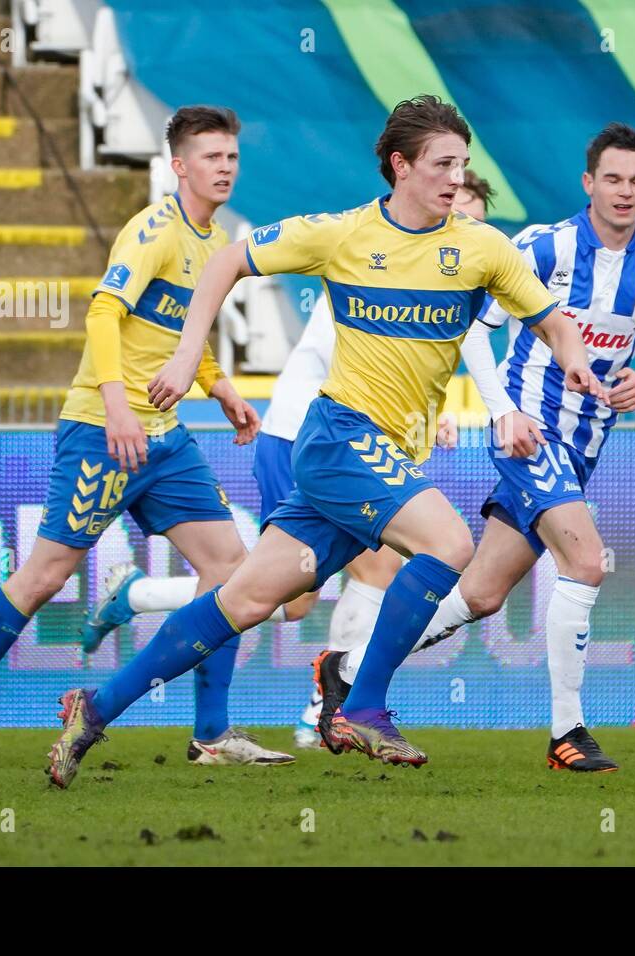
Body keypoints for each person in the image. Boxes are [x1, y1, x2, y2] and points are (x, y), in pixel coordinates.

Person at [44, 94, 606, 787]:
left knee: (245, 602)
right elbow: (227, 264)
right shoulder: (341, 234)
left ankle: (93, 709)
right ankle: (363, 706)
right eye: (441, 164)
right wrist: (190, 356)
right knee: (451, 545)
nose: (456, 179)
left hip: (381, 456)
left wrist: (574, 358)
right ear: (400, 166)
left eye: (462, 163)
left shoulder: (482, 248)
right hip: (339, 436)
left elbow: (552, 320)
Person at [314, 123, 635, 772]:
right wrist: (505, 411)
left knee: (481, 595)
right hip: (531, 436)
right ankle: (568, 732)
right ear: (588, 183)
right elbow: (474, 329)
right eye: (611, 178)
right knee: (584, 562)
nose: (624, 191)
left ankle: (346, 670)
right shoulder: (541, 247)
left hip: (584, 446)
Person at [0, 106, 293, 770]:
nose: (226, 168)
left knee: (232, 571)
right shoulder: (152, 230)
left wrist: (222, 388)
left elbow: (183, 333)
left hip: (167, 440)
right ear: (180, 166)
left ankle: (211, 735)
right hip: (103, 430)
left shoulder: (218, 243)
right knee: (43, 577)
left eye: (232, 157)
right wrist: (118, 409)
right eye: (212, 157)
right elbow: (103, 314)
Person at [78, 173, 495, 749]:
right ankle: (336, 706)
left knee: (280, 600)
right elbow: (362, 355)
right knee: (386, 568)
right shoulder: (376, 257)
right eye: (457, 211)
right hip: (313, 436)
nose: (461, 229)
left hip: (351, 443)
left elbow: (424, 360)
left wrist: (432, 412)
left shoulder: (456, 270)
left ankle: (131, 625)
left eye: (471, 218)